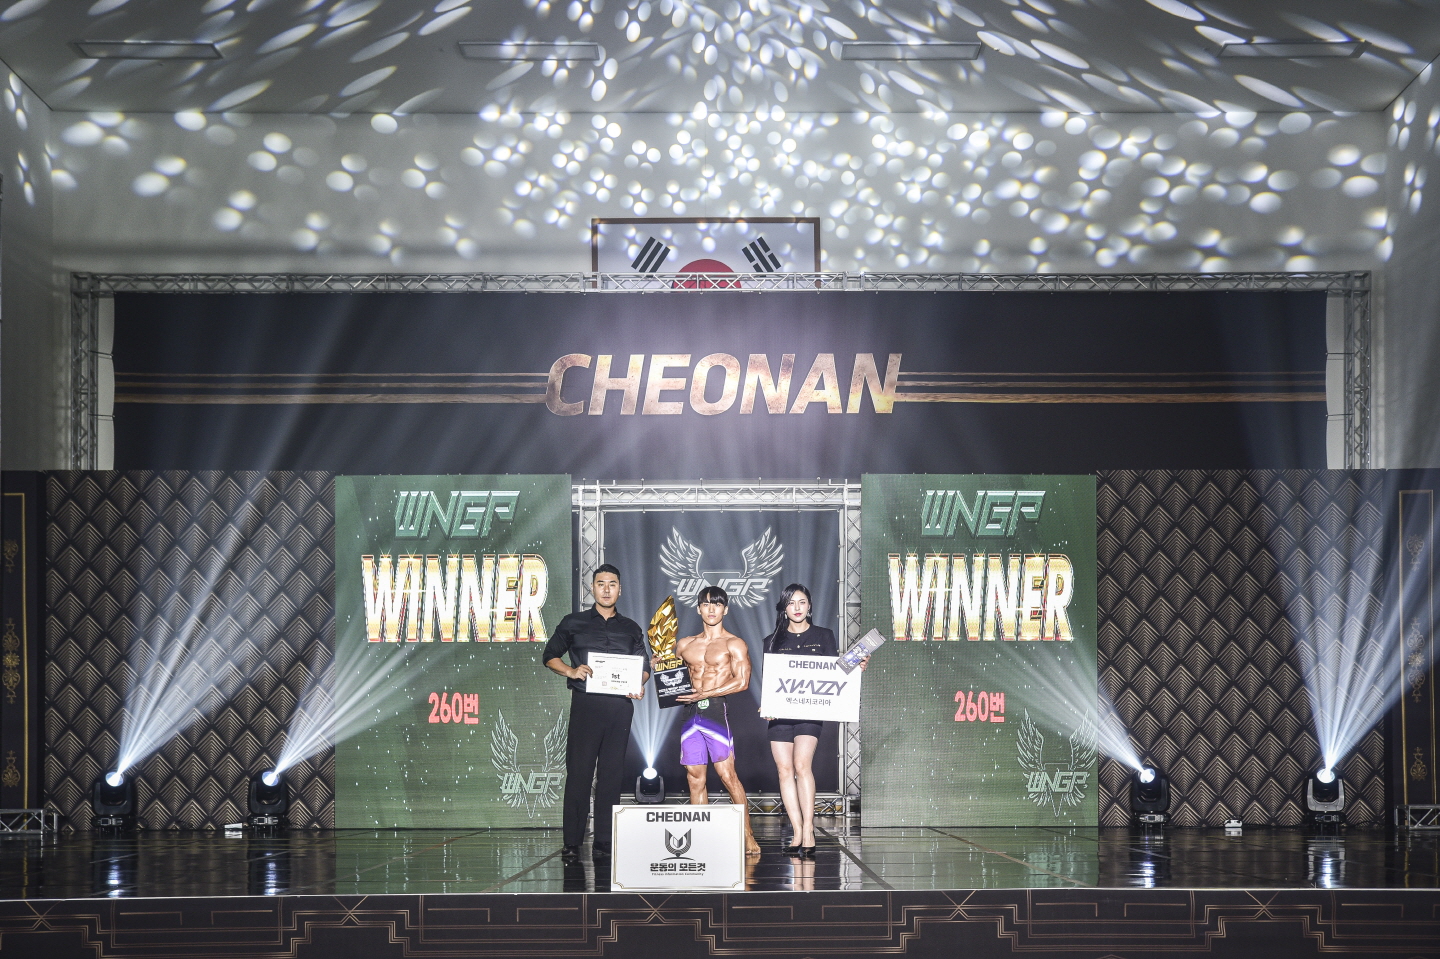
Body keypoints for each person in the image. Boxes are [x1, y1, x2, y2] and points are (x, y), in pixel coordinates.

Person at [542, 564, 648, 861]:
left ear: (620, 589)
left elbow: (644, 668)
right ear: (593, 588)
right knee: (579, 773)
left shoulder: (631, 628)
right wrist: (571, 670)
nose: (606, 589)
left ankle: (604, 841)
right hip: (586, 706)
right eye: (601, 583)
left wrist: (638, 685)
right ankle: (572, 842)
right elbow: (549, 655)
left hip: (619, 708)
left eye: (612, 584)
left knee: (612, 776)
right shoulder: (573, 622)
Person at [762, 583, 866, 858]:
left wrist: (856, 667)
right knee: (784, 771)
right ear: (784, 608)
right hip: (780, 716)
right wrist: (768, 703)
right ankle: (797, 831)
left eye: (801, 602)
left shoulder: (823, 636)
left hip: (810, 713)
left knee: (801, 765)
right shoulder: (772, 641)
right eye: (791, 603)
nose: (797, 607)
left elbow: (835, 672)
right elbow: (769, 680)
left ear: (809, 605)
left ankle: (809, 829)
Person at [669, 585, 762, 858]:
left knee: (727, 775)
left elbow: (742, 681)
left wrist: (706, 693)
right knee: (694, 777)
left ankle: (747, 834)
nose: (712, 609)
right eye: (707, 604)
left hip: (715, 712)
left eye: (717, 604)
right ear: (699, 608)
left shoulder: (734, 643)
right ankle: (700, 837)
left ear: (725, 609)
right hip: (690, 714)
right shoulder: (684, 644)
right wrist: (658, 664)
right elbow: (671, 678)